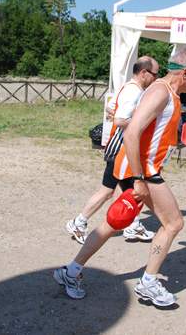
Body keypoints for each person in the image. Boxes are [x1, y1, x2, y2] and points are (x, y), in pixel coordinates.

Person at [54, 46, 186, 307]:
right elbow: (132, 132)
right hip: (144, 171)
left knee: (116, 222)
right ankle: (148, 282)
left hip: (144, 169)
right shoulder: (160, 91)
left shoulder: (170, 93)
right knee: (173, 224)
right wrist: (138, 179)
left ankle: (71, 271)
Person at [65, 56, 159, 244]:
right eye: (154, 74)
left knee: (126, 189)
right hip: (121, 149)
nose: (156, 79)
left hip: (122, 147)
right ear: (143, 72)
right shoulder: (134, 92)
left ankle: (131, 225)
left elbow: (110, 108)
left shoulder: (129, 87)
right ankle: (79, 222)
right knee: (109, 191)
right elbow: (119, 120)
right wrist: (142, 125)